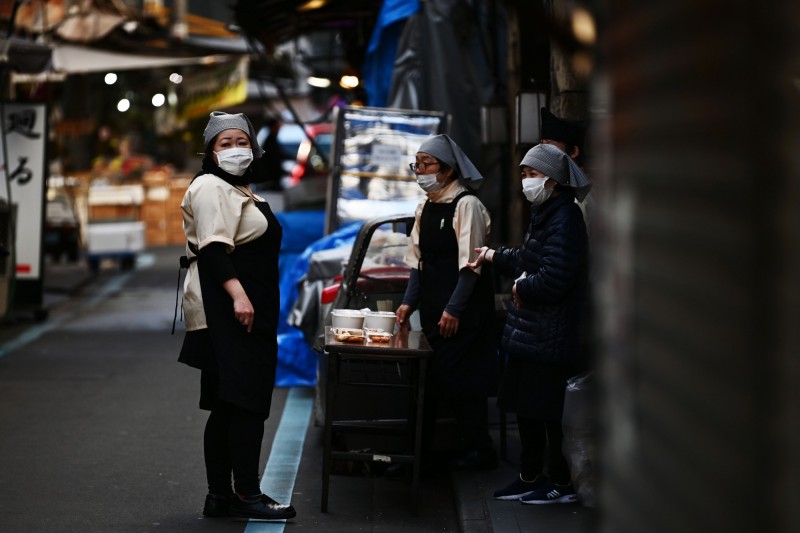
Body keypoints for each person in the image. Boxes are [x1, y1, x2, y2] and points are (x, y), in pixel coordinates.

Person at [178, 111, 296, 521]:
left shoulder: (238, 188)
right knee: (246, 403)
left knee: (229, 405)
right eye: (224, 143)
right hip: (229, 309)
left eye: (240, 141)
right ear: (210, 151)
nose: (234, 149)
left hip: (241, 307)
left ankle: (220, 497)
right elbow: (212, 248)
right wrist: (239, 298)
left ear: (253, 146)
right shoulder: (211, 186)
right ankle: (246, 494)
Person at [467, 142, 591, 504]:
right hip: (531, 331)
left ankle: (560, 481)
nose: (526, 181)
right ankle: (529, 474)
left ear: (552, 179)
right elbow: (529, 258)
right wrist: (494, 256)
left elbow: (555, 277)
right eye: (523, 174)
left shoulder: (566, 217)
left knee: (548, 411)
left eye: (532, 174)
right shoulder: (546, 212)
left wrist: (523, 284)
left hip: (551, 334)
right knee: (527, 409)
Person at [395, 134, 497, 472]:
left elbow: (472, 266)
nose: (420, 170)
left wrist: (454, 310)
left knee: (461, 381)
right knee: (431, 382)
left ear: (448, 169)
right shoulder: (425, 205)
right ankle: (421, 456)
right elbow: (418, 261)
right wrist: (409, 303)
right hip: (433, 308)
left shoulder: (466, 204)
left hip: (463, 312)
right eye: (417, 164)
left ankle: (480, 451)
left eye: (427, 164)